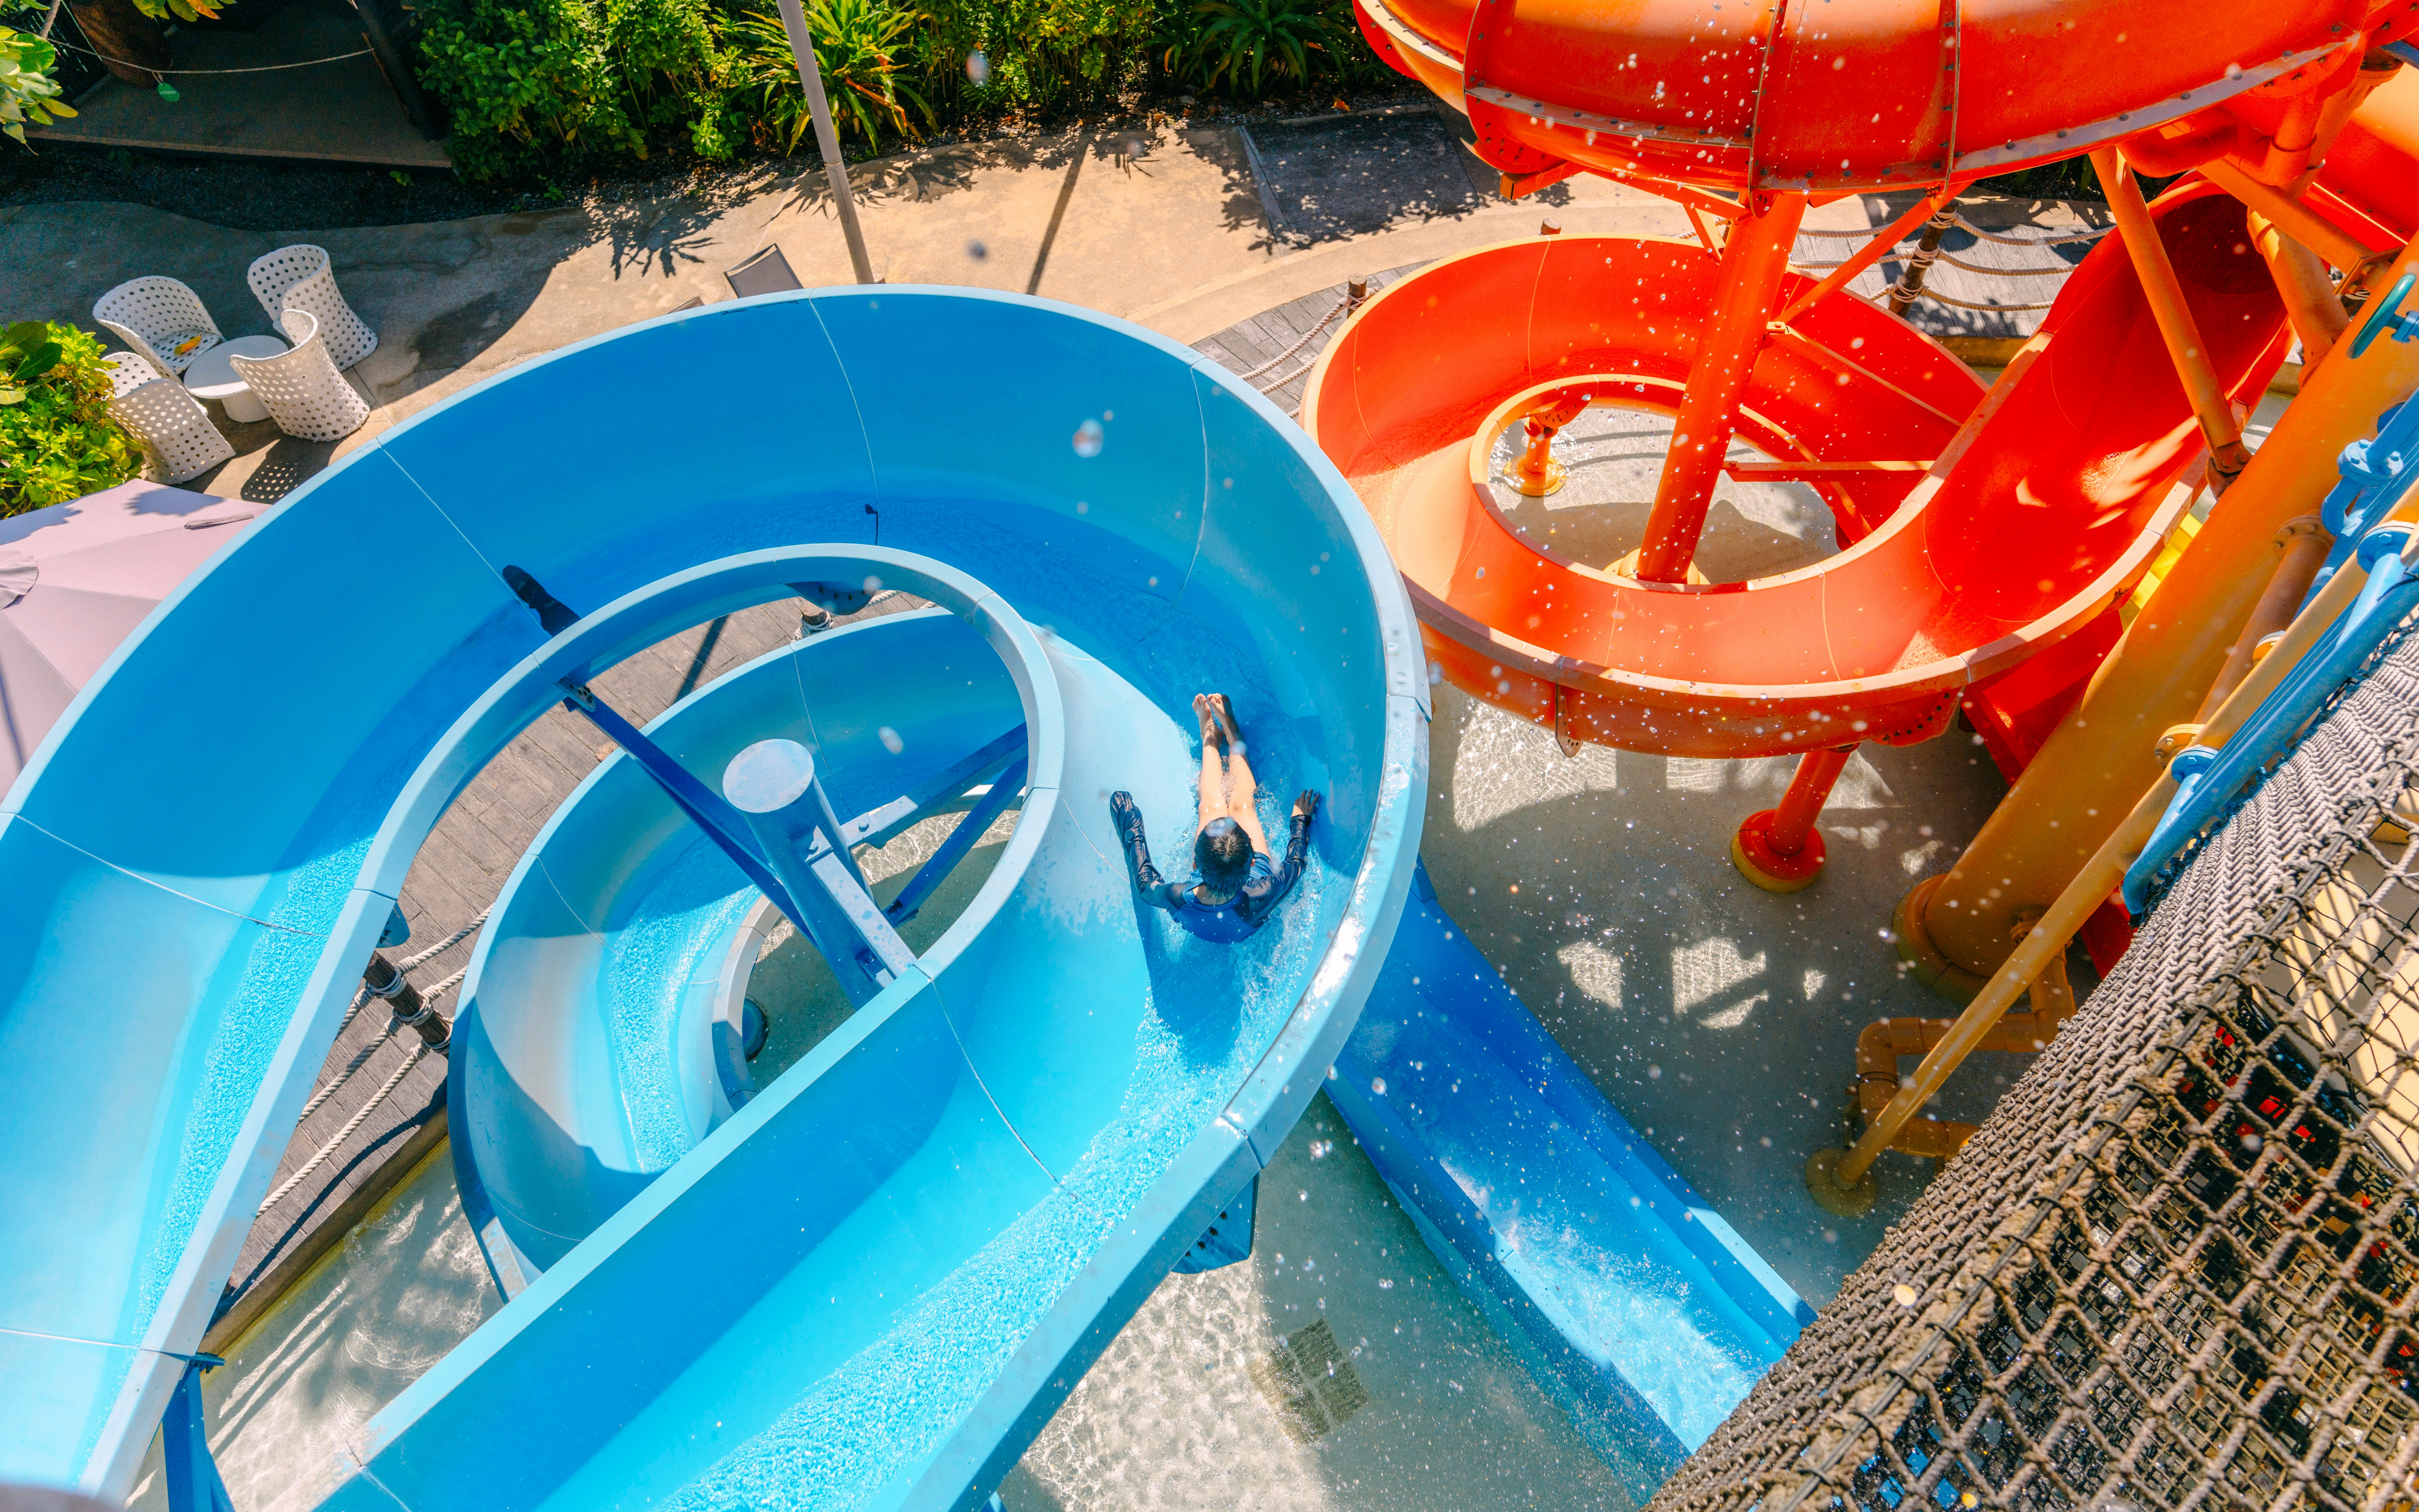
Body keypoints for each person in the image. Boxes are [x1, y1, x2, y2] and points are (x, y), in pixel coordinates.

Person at [1110, 694, 1318, 942]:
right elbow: (1296, 864)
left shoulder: (1180, 897)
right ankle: (1231, 732)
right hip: (1244, 893)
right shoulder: (1263, 893)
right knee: (1243, 806)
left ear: (1195, 863)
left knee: (1210, 807)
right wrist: (1299, 821)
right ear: (1252, 861)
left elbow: (1146, 887)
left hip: (1210, 881)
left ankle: (1210, 738)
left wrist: (1132, 826)